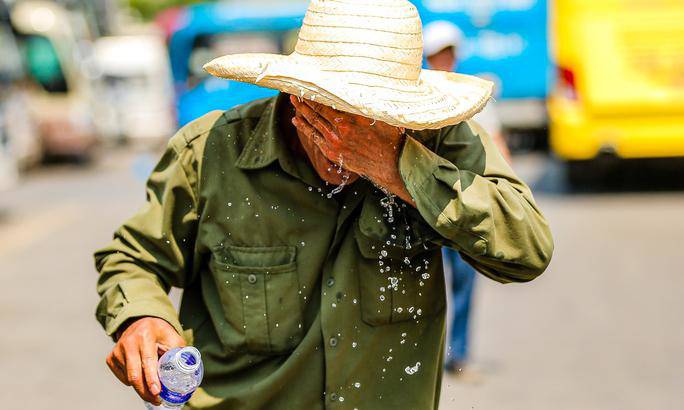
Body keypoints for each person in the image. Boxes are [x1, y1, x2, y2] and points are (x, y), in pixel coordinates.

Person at [94, 1, 553, 409]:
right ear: (296, 96)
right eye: (335, 118)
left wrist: (400, 169)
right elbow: (132, 259)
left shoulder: (438, 143)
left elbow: (528, 250)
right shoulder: (212, 151)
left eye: (376, 123)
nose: (346, 149)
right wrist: (141, 317)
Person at [423, 20, 512, 376]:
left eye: (448, 52)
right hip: (423, 206)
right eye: (437, 53)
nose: (443, 59)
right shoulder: (416, 95)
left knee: (463, 283)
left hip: (465, 204)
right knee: (424, 282)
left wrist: (509, 190)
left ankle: (457, 355)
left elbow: (496, 143)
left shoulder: (475, 97)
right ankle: (425, 355)